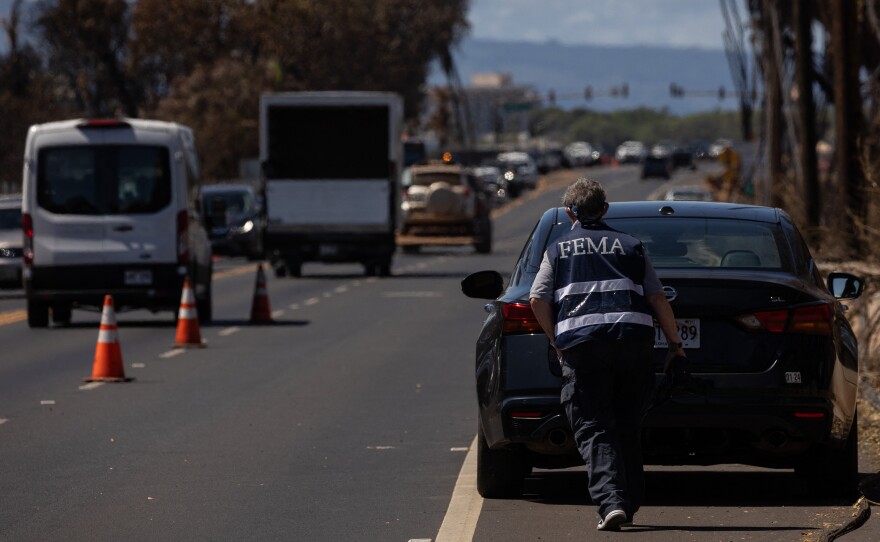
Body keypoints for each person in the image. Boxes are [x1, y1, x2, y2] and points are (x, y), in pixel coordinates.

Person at [529, 178, 685, 532]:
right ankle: (627, 503)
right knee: (627, 424)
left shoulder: (557, 250)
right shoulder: (631, 246)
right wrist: (675, 345)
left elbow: (537, 299)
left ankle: (611, 502)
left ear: (570, 213)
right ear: (605, 209)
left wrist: (556, 340)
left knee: (595, 426)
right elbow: (657, 297)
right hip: (633, 342)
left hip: (582, 345)